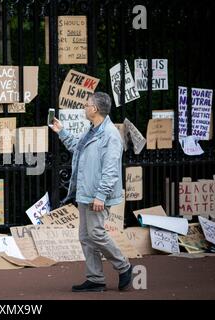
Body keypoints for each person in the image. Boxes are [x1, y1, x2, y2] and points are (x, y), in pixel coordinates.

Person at [50, 92, 132, 292]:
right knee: (86, 237)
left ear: (95, 109)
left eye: (87, 105)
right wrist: (61, 131)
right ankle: (95, 278)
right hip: (86, 192)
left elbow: (111, 169)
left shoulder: (110, 135)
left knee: (95, 233)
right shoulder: (92, 131)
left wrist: (101, 196)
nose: (85, 108)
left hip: (97, 195)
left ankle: (124, 266)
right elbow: (76, 148)